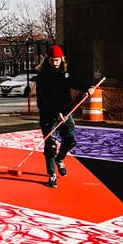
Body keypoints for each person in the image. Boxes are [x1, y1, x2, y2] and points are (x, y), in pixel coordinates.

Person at [33, 44, 95, 188]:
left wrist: (88, 88)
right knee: (51, 146)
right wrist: (56, 113)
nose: (55, 63)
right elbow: (42, 101)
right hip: (49, 116)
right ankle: (52, 175)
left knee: (70, 141)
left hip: (66, 114)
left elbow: (76, 82)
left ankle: (60, 159)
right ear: (48, 60)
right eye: (52, 60)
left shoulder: (65, 73)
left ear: (62, 59)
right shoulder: (42, 77)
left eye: (57, 60)